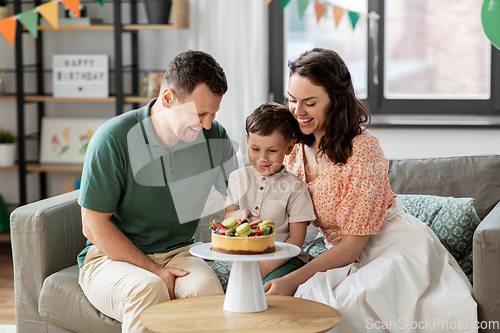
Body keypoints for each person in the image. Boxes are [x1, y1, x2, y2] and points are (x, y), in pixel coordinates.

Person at [263, 48, 478, 332]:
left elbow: (353, 244)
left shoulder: (364, 150)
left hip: (392, 246)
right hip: (340, 253)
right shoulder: (294, 149)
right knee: (310, 301)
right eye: (292, 100)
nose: (298, 111)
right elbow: (287, 223)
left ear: (335, 101)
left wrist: (293, 279)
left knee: (351, 302)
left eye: (310, 103)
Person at [77, 50, 239, 333]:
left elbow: (235, 202)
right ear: (167, 98)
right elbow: (93, 225)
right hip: (110, 258)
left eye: (213, 113)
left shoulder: (214, 136)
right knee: (148, 288)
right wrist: (155, 271)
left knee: (207, 290)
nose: (207, 124)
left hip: (179, 252)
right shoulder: (113, 138)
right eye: (200, 113)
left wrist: (241, 219)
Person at [224, 102, 316, 283]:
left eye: (272, 151)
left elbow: (296, 239)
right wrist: (239, 214)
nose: (263, 158)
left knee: (267, 290)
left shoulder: (296, 187)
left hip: (282, 260)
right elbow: (228, 217)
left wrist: (263, 269)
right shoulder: (237, 178)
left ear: (289, 148)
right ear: (247, 141)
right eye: (255, 149)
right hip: (243, 259)